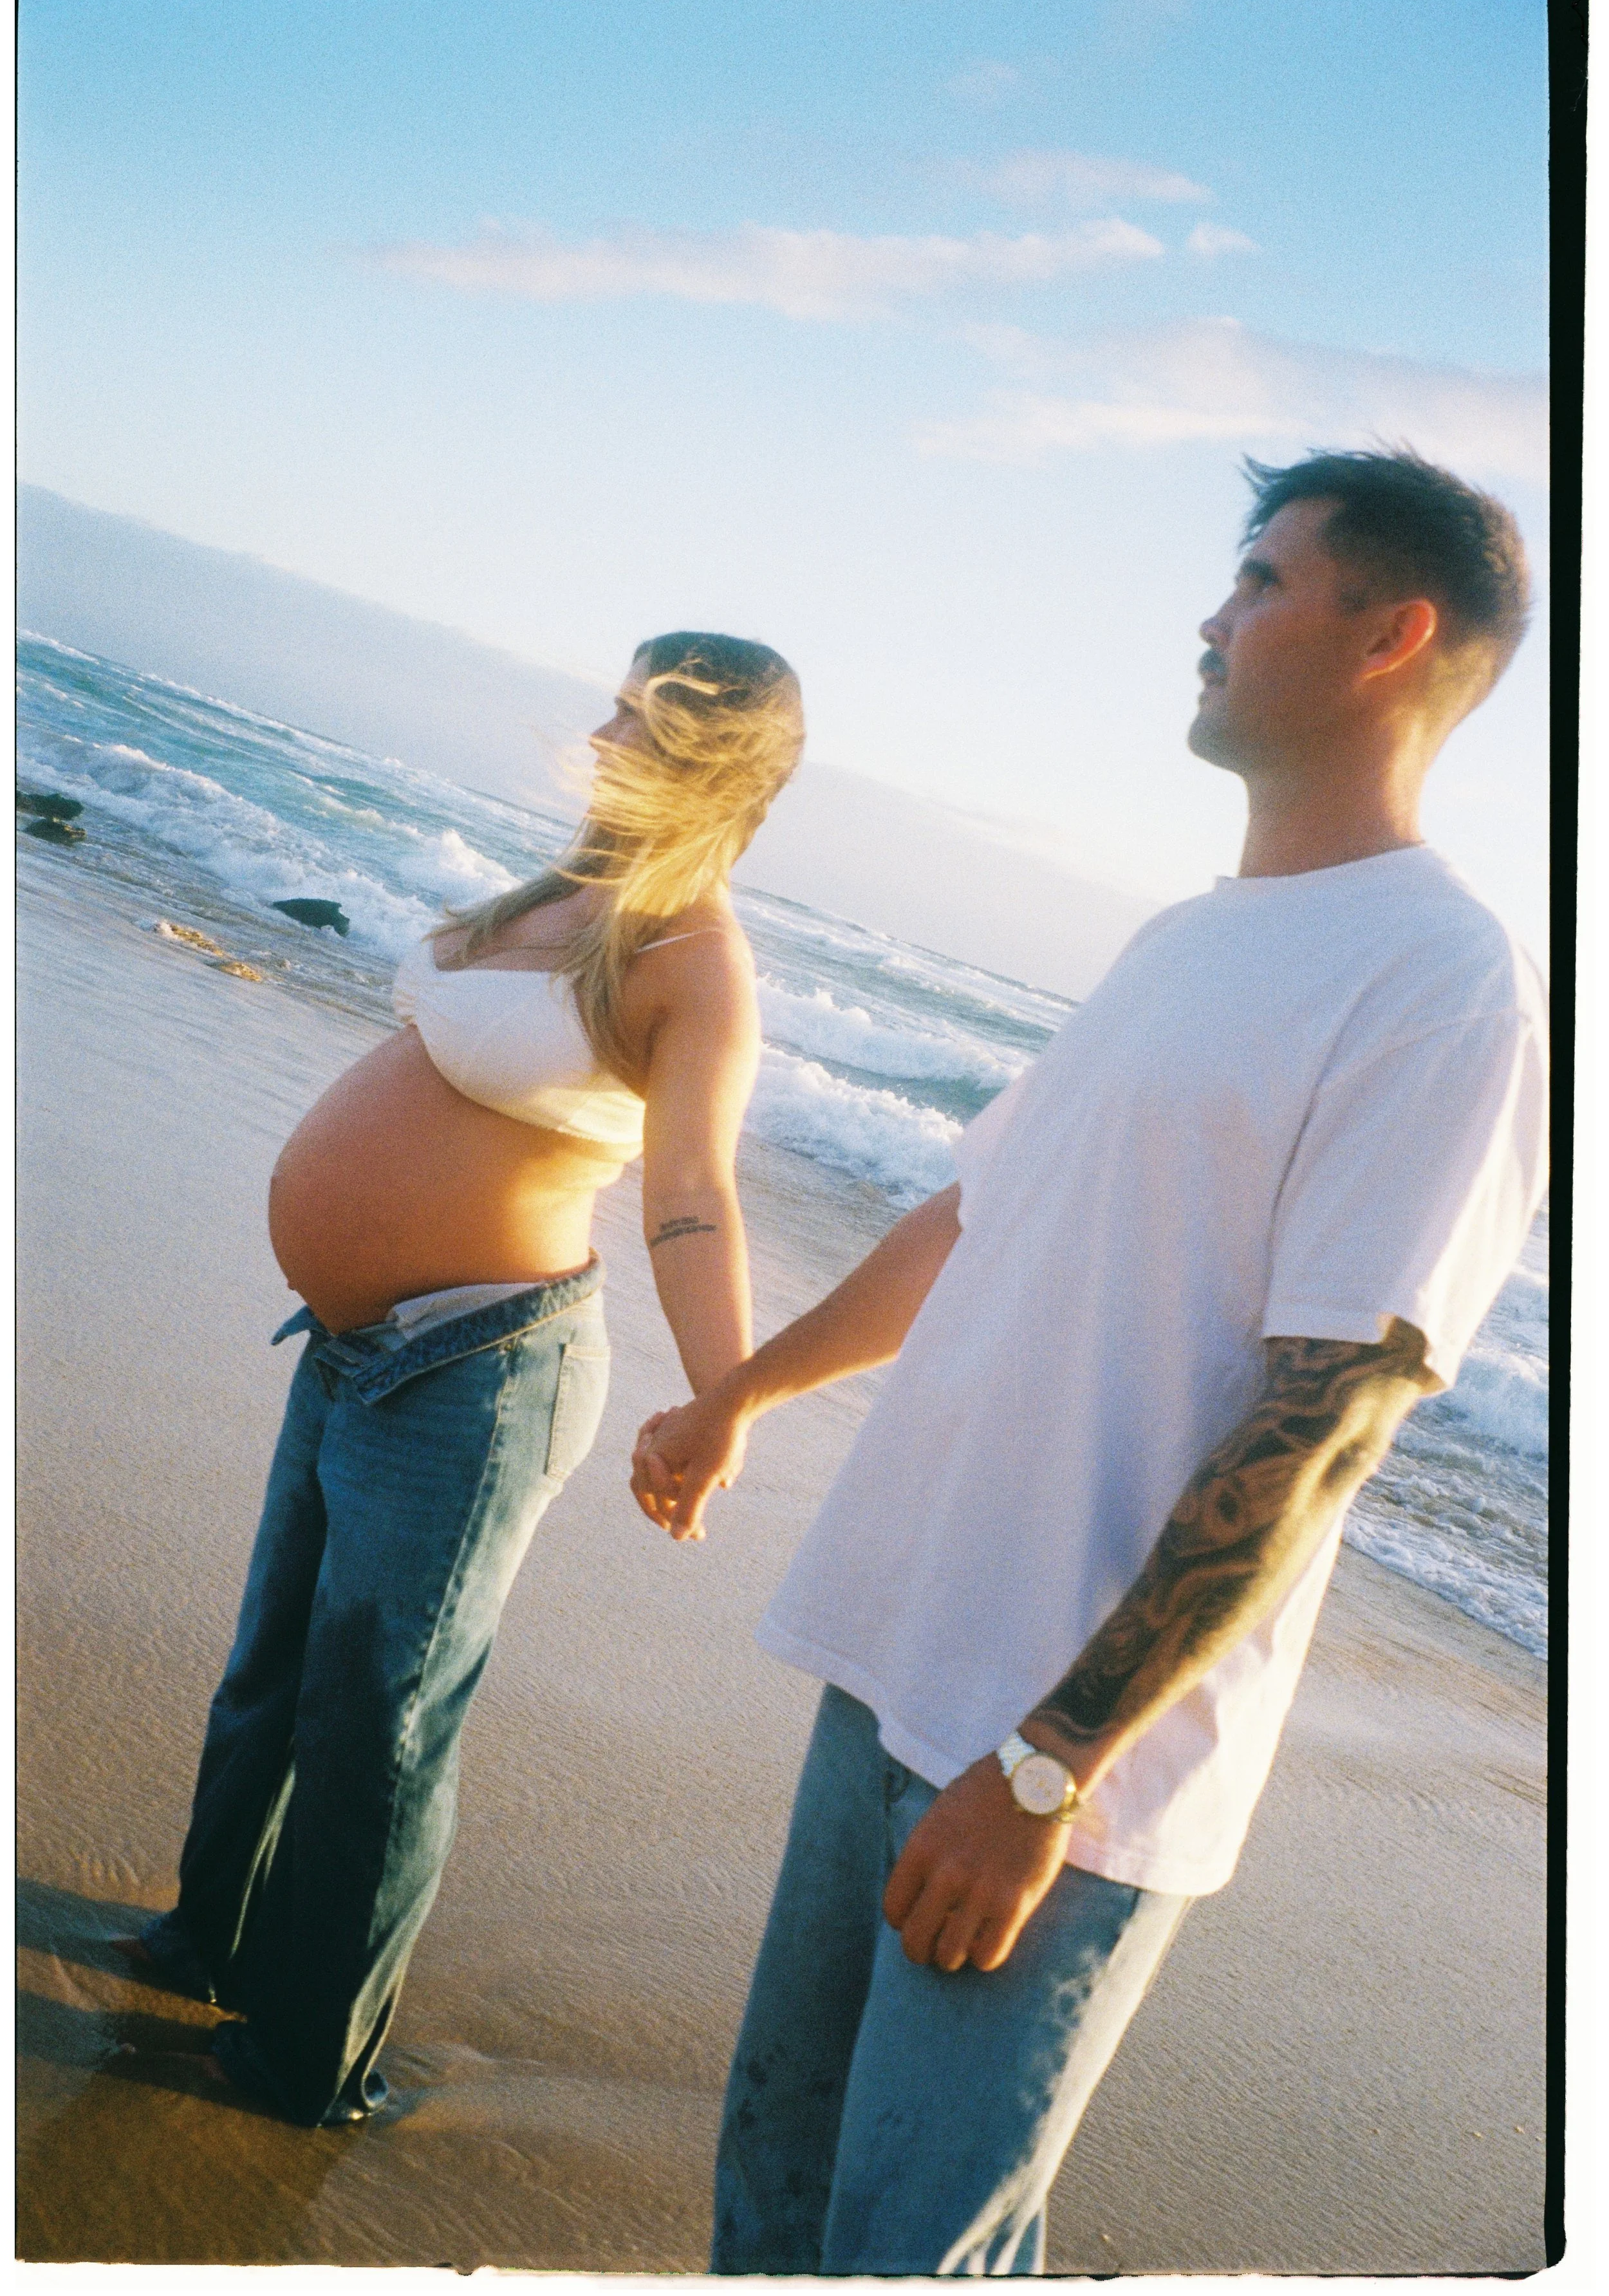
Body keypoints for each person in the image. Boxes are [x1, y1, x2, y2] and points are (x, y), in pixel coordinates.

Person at [632, 453, 1549, 2275]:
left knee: (912, 2252)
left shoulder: (1444, 983)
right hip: (898, 1661)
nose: (1209, 620)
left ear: (1391, 636)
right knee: (775, 2200)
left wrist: (1050, 1767)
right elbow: (965, 1221)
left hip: (1063, 1764)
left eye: (1259, 582)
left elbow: (1329, 1416)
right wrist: (742, 1390)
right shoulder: (1183, 940)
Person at [126, 631, 804, 2127]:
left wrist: (722, 1393)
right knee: (272, 1670)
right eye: (621, 702)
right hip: (353, 1348)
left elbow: (689, 1186)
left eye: (654, 722)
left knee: (376, 1720)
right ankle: (203, 1933)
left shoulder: (693, 963)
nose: (609, 732)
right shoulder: (552, 896)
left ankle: (309, 2055)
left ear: (724, 771)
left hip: (475, 1374)